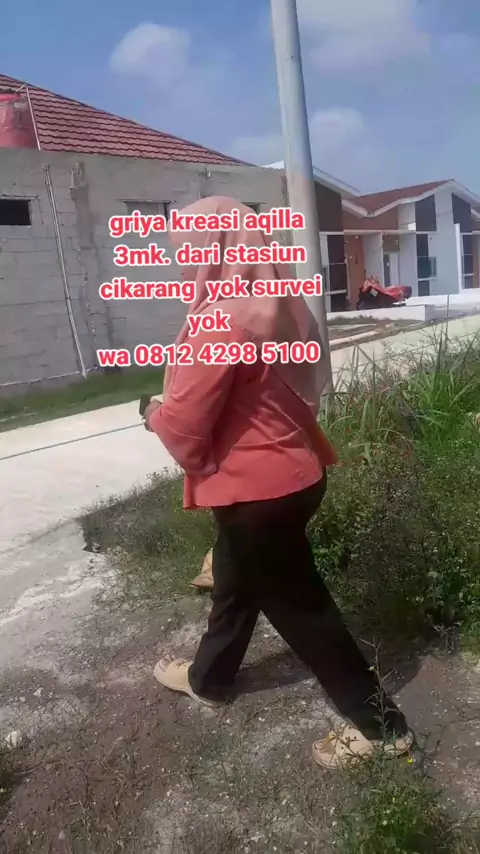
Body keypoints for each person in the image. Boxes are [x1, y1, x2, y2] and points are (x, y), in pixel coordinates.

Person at [144, 196, 413, 769]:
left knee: (301, 610)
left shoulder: (221, 320)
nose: (182, 264)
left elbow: (186, 427)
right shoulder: (278, 298)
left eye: (186, 252)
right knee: (236, 581)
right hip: (294, 472)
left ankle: (382, 729)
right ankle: (210, 678)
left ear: (211, 249)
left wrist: (151, 412)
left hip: (255, 494)